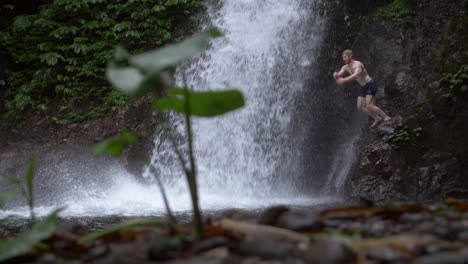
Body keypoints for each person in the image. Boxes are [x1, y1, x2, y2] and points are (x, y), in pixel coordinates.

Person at [333, 49, 391, 128]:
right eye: (343, 57)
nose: (344, 59)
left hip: (370, 84)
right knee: (360, 106)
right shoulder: (345, 67)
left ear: (350, 56)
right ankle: (377, 118)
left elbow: (356, 75)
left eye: (345, 57)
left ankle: (386, 117)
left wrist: (344, 80)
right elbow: (339, 74)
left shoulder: (358, 64)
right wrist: (336, 75)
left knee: (369, 105)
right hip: (363, 87)